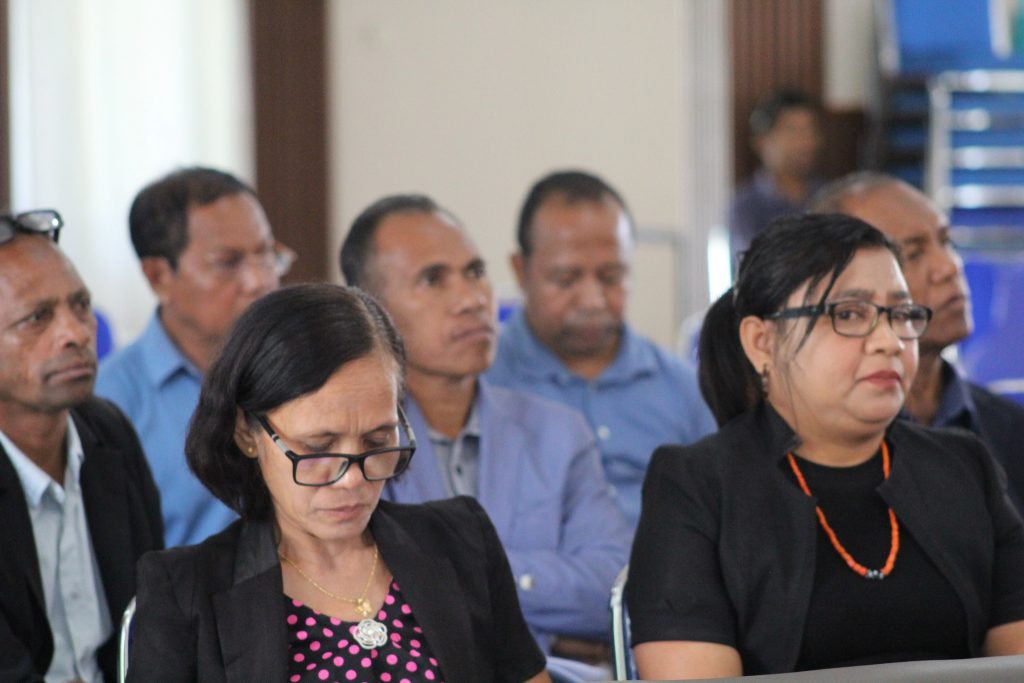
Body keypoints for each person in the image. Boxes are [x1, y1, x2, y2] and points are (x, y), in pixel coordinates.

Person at [626, 214, 1024, 678]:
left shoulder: (963, 466)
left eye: (900, 315)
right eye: (849, 314)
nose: (889, 341)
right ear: (761, 342)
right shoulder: (696, 484)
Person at [127, 283, 550, 682]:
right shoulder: (185, 592)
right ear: (247, 434)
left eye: (377, 442)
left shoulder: (462, 541)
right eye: (318, 448)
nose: (351, 479)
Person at [339, 195, 630, 669]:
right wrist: (545, 626)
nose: (472, 299)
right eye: (433, 279)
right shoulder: (354, 446)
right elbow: (356, 600)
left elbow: (612, 590)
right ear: (369, 310)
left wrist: (466, 575)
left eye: (475, 272)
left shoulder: (557, 433)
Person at [486, 170, 715, 528]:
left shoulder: (687, 391)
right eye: (566, 279)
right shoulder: (481, 385)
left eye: (611, 277)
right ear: (520, 270)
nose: (592, 300)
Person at [0, 210, 163, 682]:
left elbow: (153, 621)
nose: (76, 333)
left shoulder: (108, 432)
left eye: (81, 304)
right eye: (37, 318)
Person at [97, 166, 294, 547]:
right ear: (158, 276)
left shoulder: (305, 368)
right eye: (228, 262)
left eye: (266, 255)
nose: (259, 281)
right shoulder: (110, 403)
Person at [809, 172, 1024, 514]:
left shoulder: (1011, 429)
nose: (948, 267)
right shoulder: (815, 447)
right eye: (913, 254)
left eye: (946, 241)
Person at [728, 89, 824, 264]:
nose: (806, 141)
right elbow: (753, 267)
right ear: (761, 141)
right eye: (793, 131)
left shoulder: (830, 195)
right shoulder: (746, 207)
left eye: (811, 130)